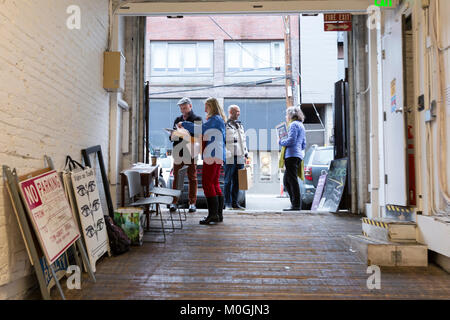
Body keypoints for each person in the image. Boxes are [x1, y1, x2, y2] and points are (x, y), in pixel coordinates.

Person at [178, 97, 227, 225]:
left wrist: (184, 124)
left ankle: (212, 215)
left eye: (206, 106)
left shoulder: (214, 119)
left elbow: (200, 129)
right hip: (217, 154)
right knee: (215, 183)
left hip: (212, 155)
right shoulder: (219, 119)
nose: (205, 109)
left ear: (211, 106)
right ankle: (218, 215)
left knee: (207, 184)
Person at [170, 97, 202, 213]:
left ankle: (192, 203)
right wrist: (173, 135)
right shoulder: (177, 119)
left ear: (190, 106)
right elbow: (172, 137)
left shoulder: (197, 119)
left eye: (184, 107)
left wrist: (185, 134)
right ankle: (174, 202)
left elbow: (199, 136)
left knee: (192, 178)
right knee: (177, 178)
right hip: (178, 152)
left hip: (191, 152)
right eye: (181, 108)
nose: (182, 110)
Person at [278, 106, 306, 211]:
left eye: (287, 115)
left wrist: (280, 141)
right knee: (287, 181)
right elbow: (304, 144)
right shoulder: (301, 125)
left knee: (292, 181)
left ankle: (296, 205)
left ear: (290, 115)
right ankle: (294, 204)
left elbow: (291, 140)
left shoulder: (293, 125)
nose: (286, 117)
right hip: (298, 155)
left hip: (291, 155)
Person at [224, 105, 248, 210]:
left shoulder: (240, 125)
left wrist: (246, 153)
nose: (238, 113)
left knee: (238, 181)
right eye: (236, 111)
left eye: (239, 111)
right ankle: (227, 203)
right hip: (230, 157)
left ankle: (235, 203)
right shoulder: (226, 125)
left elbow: (243, 141)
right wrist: (226, 153)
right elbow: (222, 141)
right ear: (230, 112)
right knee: (228, 181)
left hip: (240, 156)